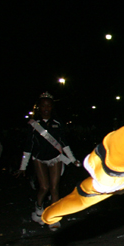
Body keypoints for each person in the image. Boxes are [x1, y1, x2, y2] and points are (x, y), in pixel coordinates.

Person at [17, 93, 79, 230]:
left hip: (55, 158)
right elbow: (28, 146)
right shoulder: (34, 125)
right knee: (44, 187)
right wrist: (23, 167)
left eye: (48, 105)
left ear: (52, 108)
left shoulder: (57, 124)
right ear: (39, 107)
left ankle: (53, 217)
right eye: (43, 105)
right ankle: (39, 208)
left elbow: (64, 143)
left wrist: (73, 160)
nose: (46, 108)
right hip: (39, 158)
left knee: (54, 188)